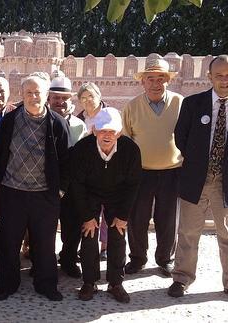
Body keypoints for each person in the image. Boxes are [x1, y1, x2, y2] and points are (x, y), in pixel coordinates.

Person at [168, 55, 228, 305]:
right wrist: (200, 163)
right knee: (188, 232)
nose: (224, 80)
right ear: (209, 77)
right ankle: (182, 278)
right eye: (219, 75)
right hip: (196, 177)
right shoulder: (192, 104)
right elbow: (180, 138)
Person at [0, 76, 70, 302]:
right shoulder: (10, 120)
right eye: (29, 93)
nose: (34, 97)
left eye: (38, 93)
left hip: (44, 195)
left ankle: (46, 285)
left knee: (44, 244)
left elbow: (66, 160)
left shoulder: (57, 123)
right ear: (22, 95)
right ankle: (7, 285)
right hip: (12, 192)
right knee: (8, 243)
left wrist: (60, 190)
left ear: (46, 96)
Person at [71, 107, 142, 304]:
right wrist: (87, 216)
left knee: (118, 234)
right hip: (90, 192)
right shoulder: (82, 148)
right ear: (94, 130)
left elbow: (133, 185)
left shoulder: (130, 150)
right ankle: (89, 282)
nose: (107, 135)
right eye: (103, 131)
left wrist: (123, 216)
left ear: (119, 133)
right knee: (89, 234)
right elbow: (77, 185)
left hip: (118, 194)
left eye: (112, 131)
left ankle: (115, 283)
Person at [122, 55, 184, 276]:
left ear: (168, 81)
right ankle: (137, 258)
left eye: (161, 79)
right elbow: (126, 142)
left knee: (168, 219)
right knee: (137, 218)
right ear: (143, 81)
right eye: (151, 79)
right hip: (141, 173)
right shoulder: (132, 107)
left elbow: (188, 137)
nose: (156, 83)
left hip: (172, 172)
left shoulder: (180, 103)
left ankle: (165, 258)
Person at [48, 76, 87, 279]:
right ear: (49, 99)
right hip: (45, 183)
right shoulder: (41, 121)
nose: (60, 102)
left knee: (72, 226)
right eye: (55, 98)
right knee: (43, 226)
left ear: (70, 99)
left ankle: (68, 259)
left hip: (71, 186)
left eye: (64, 98)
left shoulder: (79, 126)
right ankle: (43, 262)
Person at [76, 82, 111, 259]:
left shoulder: (110, 116)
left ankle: (105, 247)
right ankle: (88, 246)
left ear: (99, 96)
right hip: (87, 173)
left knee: (106, 211)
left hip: (107, 170)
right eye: (83, 97)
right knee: (88, 210)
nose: (88, 100)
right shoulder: (79, 119)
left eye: (91, 96)